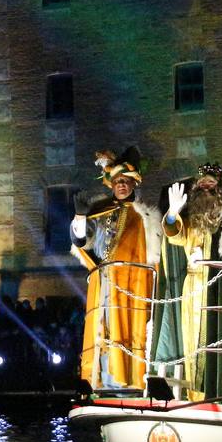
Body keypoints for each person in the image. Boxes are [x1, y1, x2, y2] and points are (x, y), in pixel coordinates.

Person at [154, 165, 222, 400]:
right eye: (202, 184)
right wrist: (171, 213)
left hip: (218, 286)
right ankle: (193, 393)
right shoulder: (192, 219)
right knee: (191, 341)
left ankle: (216, 389)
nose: (206, 188)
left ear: (219, 188)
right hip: (193, 287)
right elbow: (175, 235)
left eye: (211, 184)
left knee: (217, 336)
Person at [70, 147, 161, 390]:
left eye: (126, 181)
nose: (121, 185)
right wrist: (80, 218)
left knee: (129, 329)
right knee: (104, 329)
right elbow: (82, 243)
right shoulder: (99, 211)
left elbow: (153, 255)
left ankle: (130, 381)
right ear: (111, 184)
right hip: (105, 282)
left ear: (134, 184)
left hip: (133, 284)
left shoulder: (145, 216)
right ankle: (104, 382)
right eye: (118, 181)